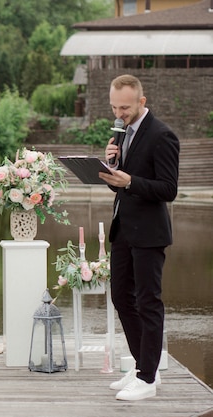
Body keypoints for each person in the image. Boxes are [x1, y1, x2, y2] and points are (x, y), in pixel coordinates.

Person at [99, 74, 179, 401]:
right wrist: (109, 168)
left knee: (148, 303)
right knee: (121, 298)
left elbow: (168, 189)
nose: (119, 113)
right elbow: (119, 185)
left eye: (126, 107)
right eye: (115, 107)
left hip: (149, 233)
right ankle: (143, 364)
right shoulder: (123, 132)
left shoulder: (163, 136)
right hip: (123, 230)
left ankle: (147, 379)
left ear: (142, 102)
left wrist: (130, 180)